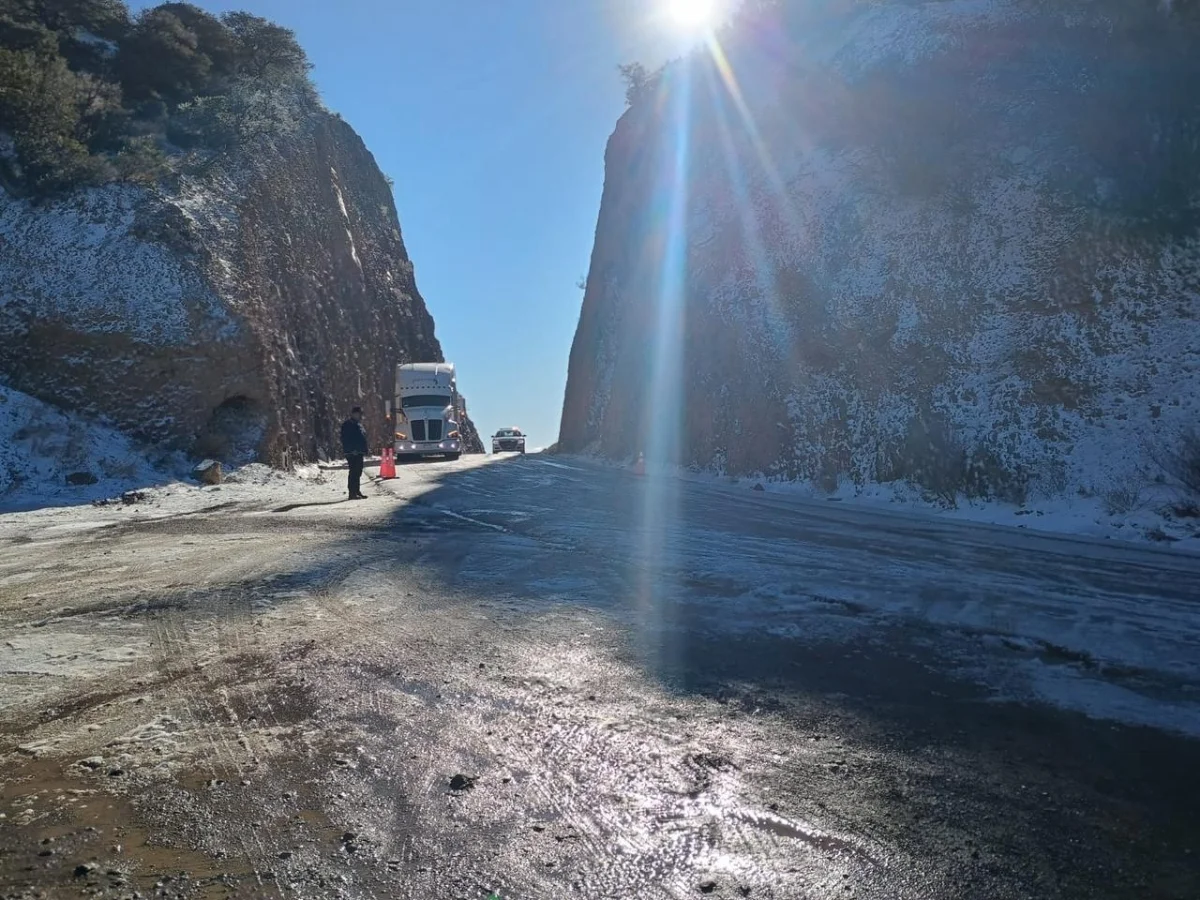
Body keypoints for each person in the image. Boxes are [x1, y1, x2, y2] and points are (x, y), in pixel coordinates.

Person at [340, 406, 369, 499]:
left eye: (360, 414)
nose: (359, 415)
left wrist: (364, 449)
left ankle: (357, 490)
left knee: (358, 472)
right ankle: (352, 492)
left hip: (359, 452)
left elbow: (362, 438)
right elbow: (346, 438)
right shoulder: (348, 424)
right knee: (353, 472)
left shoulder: (359, 424)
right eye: (357, 414)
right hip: (352, 452)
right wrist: (352, 449)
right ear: (353, 414)